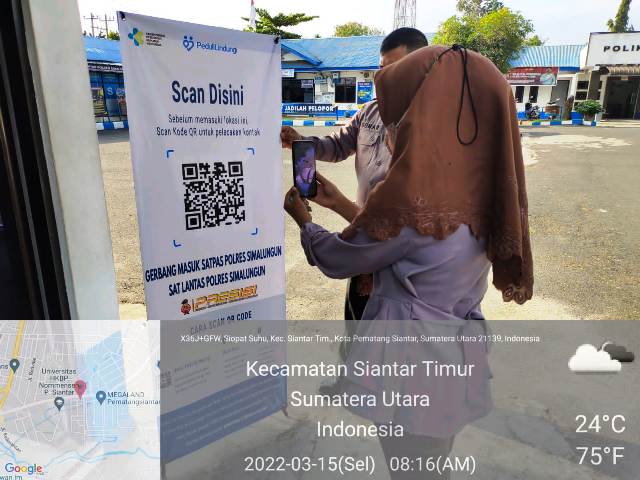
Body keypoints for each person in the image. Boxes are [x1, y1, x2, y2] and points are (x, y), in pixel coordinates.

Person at [284, 44, 533, 479]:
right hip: (455, 360)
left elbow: (339, 257)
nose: (390, 129)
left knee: (411, 464)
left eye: (399, 118)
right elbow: (398, 244)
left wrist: (305, 221)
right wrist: (341, 202)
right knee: (434, 462)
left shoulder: (413, 204)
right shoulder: (487, 195)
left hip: (411, 370)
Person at [281, 27, 430, 341]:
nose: (384, 79)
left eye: (394, 70)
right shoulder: (371, 111)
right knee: (356, 331)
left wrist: (318, 215)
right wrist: (301, 142)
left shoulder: (432, 125)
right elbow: (338, 145)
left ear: (421, 70)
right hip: (363, 239)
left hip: (401, 259)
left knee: (384, 346)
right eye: (381, 69)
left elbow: (331, 254)